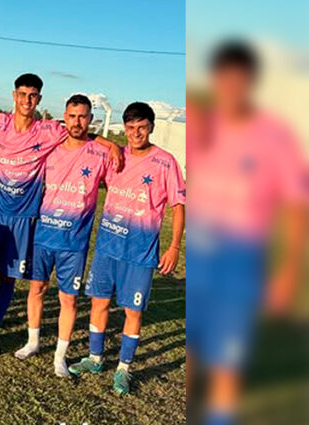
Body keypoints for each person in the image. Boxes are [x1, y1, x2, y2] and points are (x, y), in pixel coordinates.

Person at [0, 74, 122, 356]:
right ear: (14, 95)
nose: (27, 100)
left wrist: (111, 144)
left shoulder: (49, 131)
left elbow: (79, 131)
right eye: (22, 94)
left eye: (32, 95)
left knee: (8, 277)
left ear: (39, 99)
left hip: (23, 219)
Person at [187, 42, 307, 425]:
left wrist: (288, 272)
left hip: (241, 256)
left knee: (228, 353)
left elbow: (297, 207)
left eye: (239, 81)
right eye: (223, 81)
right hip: (202, 252)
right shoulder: (205, 128)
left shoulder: (275, 136)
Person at [68, 102, 186, 395]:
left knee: (133, 312)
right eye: (131, 128)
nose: (136, 133)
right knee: (99, 303)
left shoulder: (166, 162)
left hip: (140, 253)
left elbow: (178, 206)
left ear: (151, 127)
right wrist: (110, 143)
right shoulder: (116, 155)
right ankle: (95, 358)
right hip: (107, 246)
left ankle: (124, 368)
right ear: (125, 128)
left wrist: (174, 246)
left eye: (142, 127)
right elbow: (83, 136)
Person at [13, 94, 111, 377]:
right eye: (72, 116)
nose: (77, 122)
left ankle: (60, 356)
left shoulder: (101, 153)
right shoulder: (51, 147)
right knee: (37, 289)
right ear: (64, 117)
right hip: (43, 235)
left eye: (83, 116)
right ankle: (32, 342)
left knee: (68, 299)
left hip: (74, 242)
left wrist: (112, 146)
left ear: (91, 119)